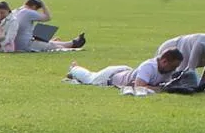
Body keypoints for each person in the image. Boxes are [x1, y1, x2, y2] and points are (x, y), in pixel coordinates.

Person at [65, 48, 199, 91]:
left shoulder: (165, 70)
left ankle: (75, 71)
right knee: (90, 78)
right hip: (110, 77)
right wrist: (163, 89)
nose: (174, 69)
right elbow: (139, 86)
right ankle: (74, 68)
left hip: (125, 72)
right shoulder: (149, 66)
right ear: (164, 61)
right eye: (173, 66)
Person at [5, 0, 84, 52]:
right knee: (53, 47)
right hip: (25, 45)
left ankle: (72, 42)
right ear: (34, 6)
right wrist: (42, 4)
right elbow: (48, 17)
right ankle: (72, 45)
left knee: (48, 42)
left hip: (17, 42)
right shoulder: (28, 12)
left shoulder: (16, 10)